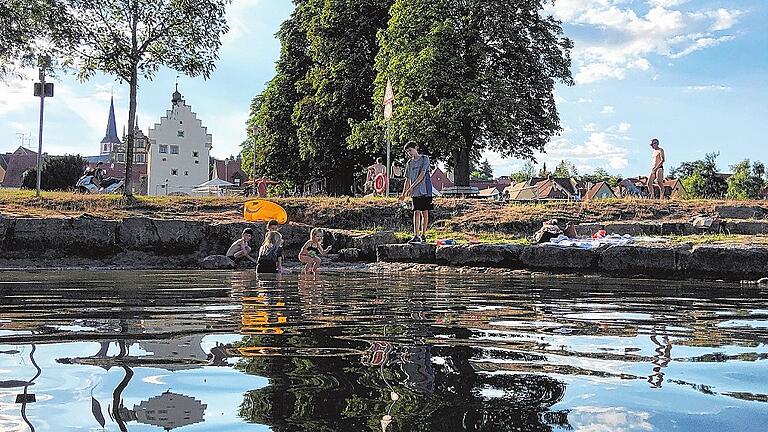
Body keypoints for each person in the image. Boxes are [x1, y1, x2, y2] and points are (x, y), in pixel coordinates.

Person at [399, 142, 432, 243]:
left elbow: (422, 174)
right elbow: (407, 179)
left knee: (424, 212)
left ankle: (424, 234)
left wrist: (411, 187)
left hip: (425, 190)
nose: (409, 153)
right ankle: (416, 235)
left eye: (410, 150)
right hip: (415, 192)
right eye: (407, 151)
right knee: (416, 212)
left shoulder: (424, 158)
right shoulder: (409, 163)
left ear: (416, 148)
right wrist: (403, 194)